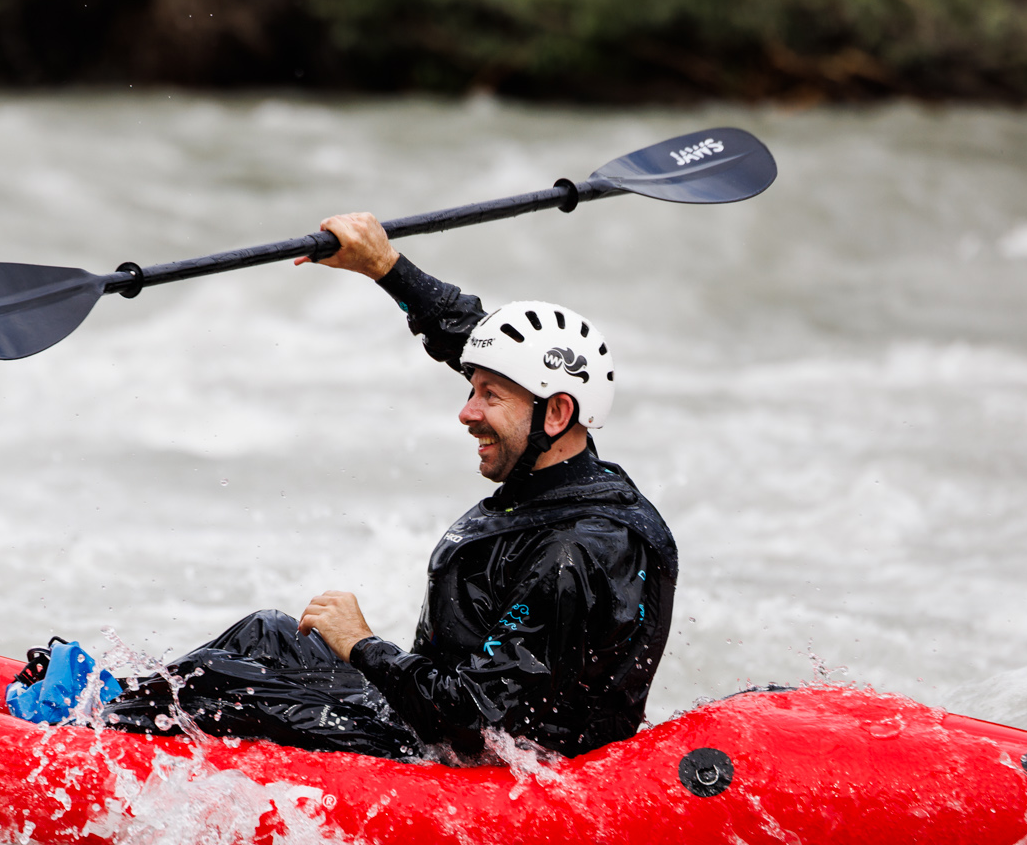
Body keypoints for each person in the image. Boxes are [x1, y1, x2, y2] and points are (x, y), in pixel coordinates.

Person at [94, 211, 677, 761]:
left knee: (229, 684)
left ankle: (76, 747)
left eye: (488, 397)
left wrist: (364, 645)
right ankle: (98, 707)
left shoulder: (576, 550)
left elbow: (477, 721)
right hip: (433, 714)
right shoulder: (559, 464)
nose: (467, 412)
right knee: (268, 634)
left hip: (466, 760)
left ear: (556, 414)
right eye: (472, 388)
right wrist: (385, 267)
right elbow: (478, 342)